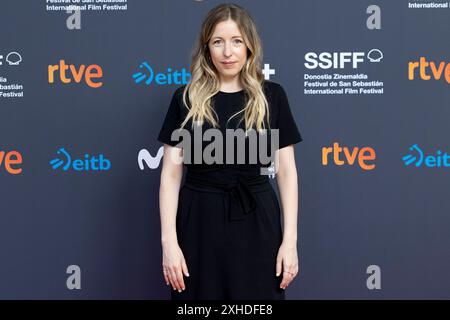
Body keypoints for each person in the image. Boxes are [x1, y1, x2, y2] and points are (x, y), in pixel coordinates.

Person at [157, 3, 302, 300]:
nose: (228, 52)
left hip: (257, 222)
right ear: (206, 47)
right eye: (218, 42)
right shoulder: (185, 98)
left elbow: (286, 171)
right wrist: (169, 243)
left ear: (250, 45)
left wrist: (290, 241)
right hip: (198, 222)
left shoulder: (271, 95)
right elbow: (171, 174)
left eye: (236, 41)